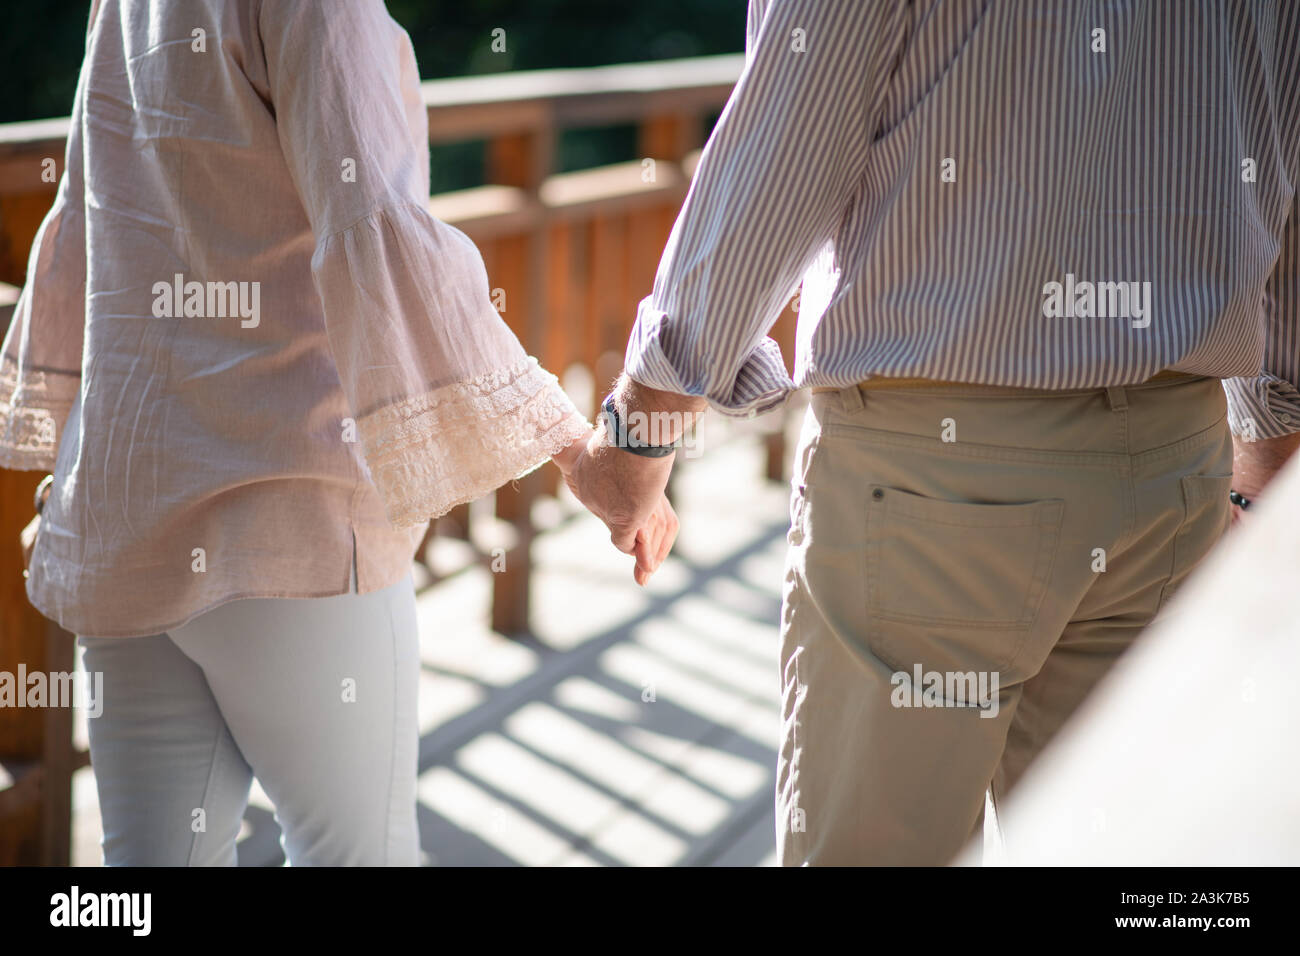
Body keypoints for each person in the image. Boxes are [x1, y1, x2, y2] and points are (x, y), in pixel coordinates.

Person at [564, 0, 1300, 864]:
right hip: (1178, 469)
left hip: (931, 481)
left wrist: (641, 428)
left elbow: (785, 143)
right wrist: (1266, 457)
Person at [0, 0, 674, 866]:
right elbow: (378, 230)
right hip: (290, 516)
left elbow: (91, 219)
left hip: (131, 515)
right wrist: (576, 451)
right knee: (356, 854)